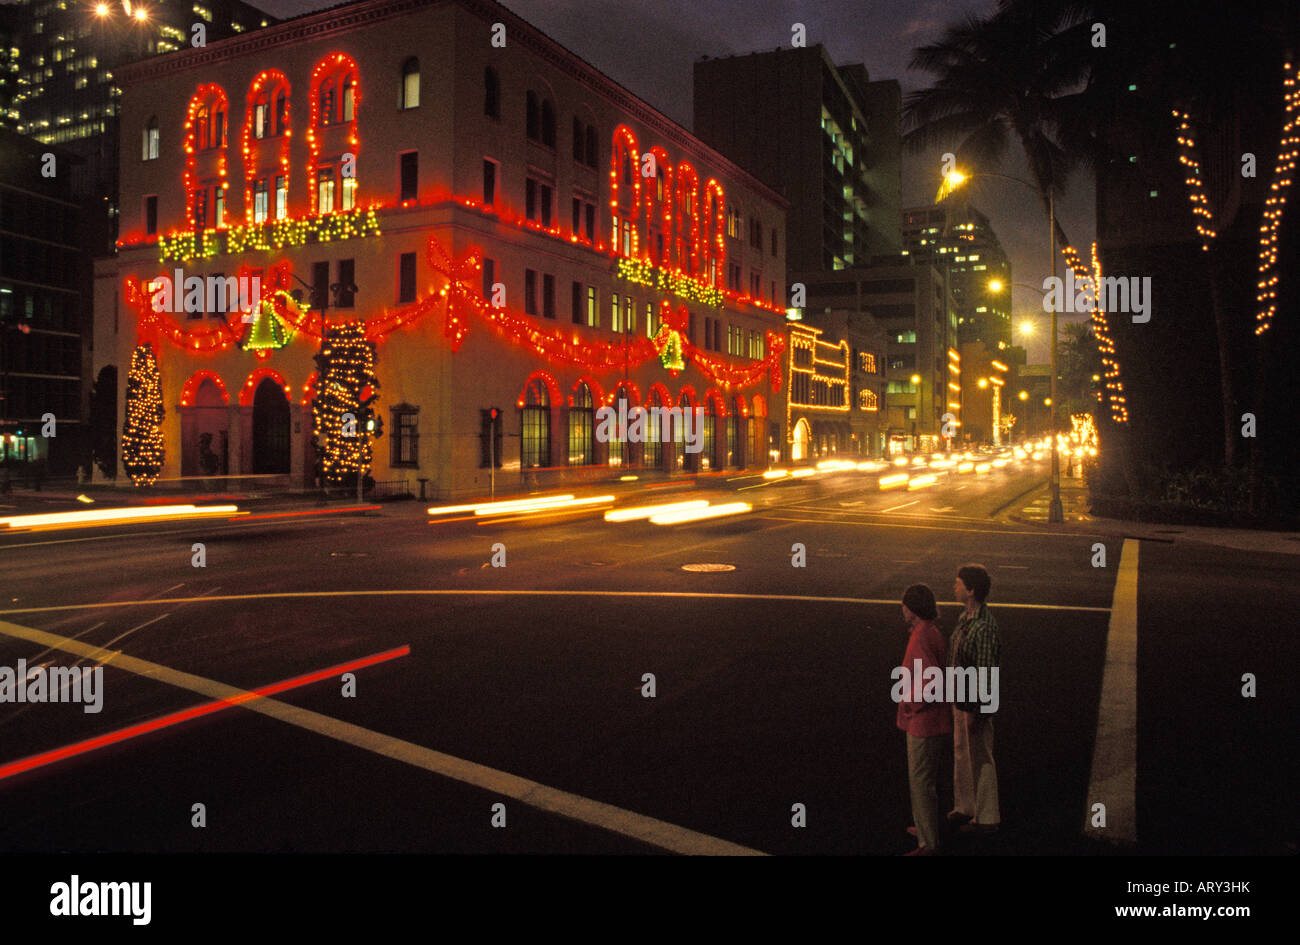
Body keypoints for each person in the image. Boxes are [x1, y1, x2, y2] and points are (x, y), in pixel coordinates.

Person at [896, 583, 952, 855]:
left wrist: (911, 703)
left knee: (920, 781)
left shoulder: (920, 637)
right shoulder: (931, 632)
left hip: (924, 723)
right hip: (935, 720)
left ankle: (928, 843)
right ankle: (925, 827)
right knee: (925, 781)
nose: (902, 609)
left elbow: (933, 681)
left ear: (913, 609)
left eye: (905, 605)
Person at [949, 564, 1001, 834]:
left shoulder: (983, 628)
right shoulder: (966, 618)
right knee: (962, 753)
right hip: (960, 698)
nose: (954, 587)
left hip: (973, 703)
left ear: (971, 591)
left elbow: (985, 673)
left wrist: (976, 710)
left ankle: (987, 817)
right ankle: (966, 807)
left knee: (980, 757)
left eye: (959, 584)